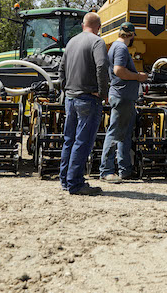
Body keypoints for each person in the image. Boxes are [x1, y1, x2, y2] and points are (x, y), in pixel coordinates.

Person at [59, 12, 109, 196]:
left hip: (70, 98)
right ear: (99, 27)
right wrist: (103, 93)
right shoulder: (97, 42)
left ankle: (65, 180)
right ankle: (76, 183)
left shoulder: (71, 42)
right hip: (88, 98)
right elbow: (102, 66)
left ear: (83, 25)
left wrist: (66, 89)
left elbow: (61, 69)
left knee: (69, 140)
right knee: (83, 141)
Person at [99, 22, 148, 183]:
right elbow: (118, 70)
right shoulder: (121, 48)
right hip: (122, 96)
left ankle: (125, 170)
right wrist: (138, 76)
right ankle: (106, 171)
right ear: (132, 35)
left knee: (124, 134)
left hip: (123, 96)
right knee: (114, 133)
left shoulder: (114, 46)